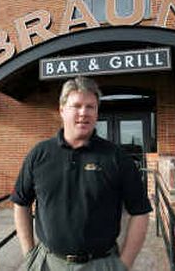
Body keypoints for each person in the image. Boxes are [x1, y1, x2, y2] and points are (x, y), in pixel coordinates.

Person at [11, 76, 152, 271]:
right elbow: (21, 202)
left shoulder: (116, 157)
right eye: (76, 106)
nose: (83, 113)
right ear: (62, 110)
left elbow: (140, 212)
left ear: (97, 112)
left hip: (101, 264)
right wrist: (30, 255)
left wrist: (123, 265)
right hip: (48, 263)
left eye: (90, 107)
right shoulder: (39, 154)